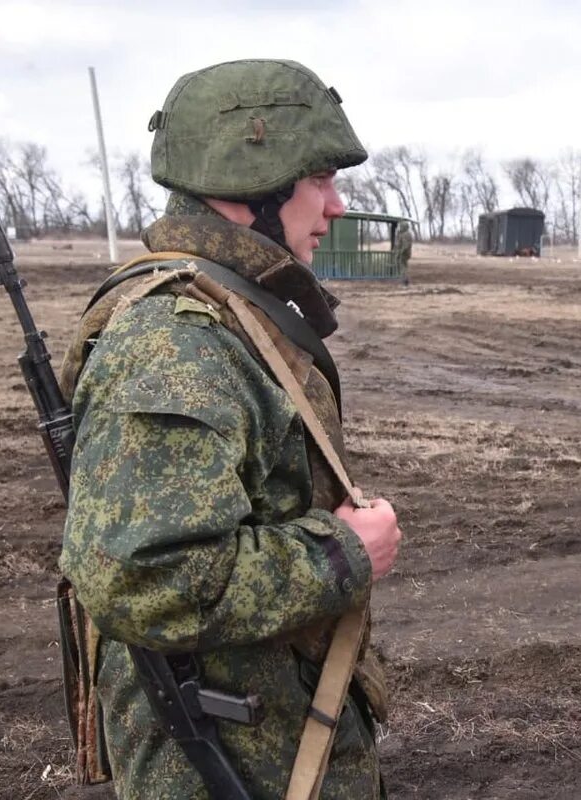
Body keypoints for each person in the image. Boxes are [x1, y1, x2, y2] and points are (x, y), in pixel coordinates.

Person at [58, 59, 401, 798]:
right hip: (230, 764)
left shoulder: (229, 315)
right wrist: (342, 553)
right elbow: (148, 577)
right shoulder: (175, 342)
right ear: (248, 189)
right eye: (320, 180)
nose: (336, 205)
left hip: (273, 744)